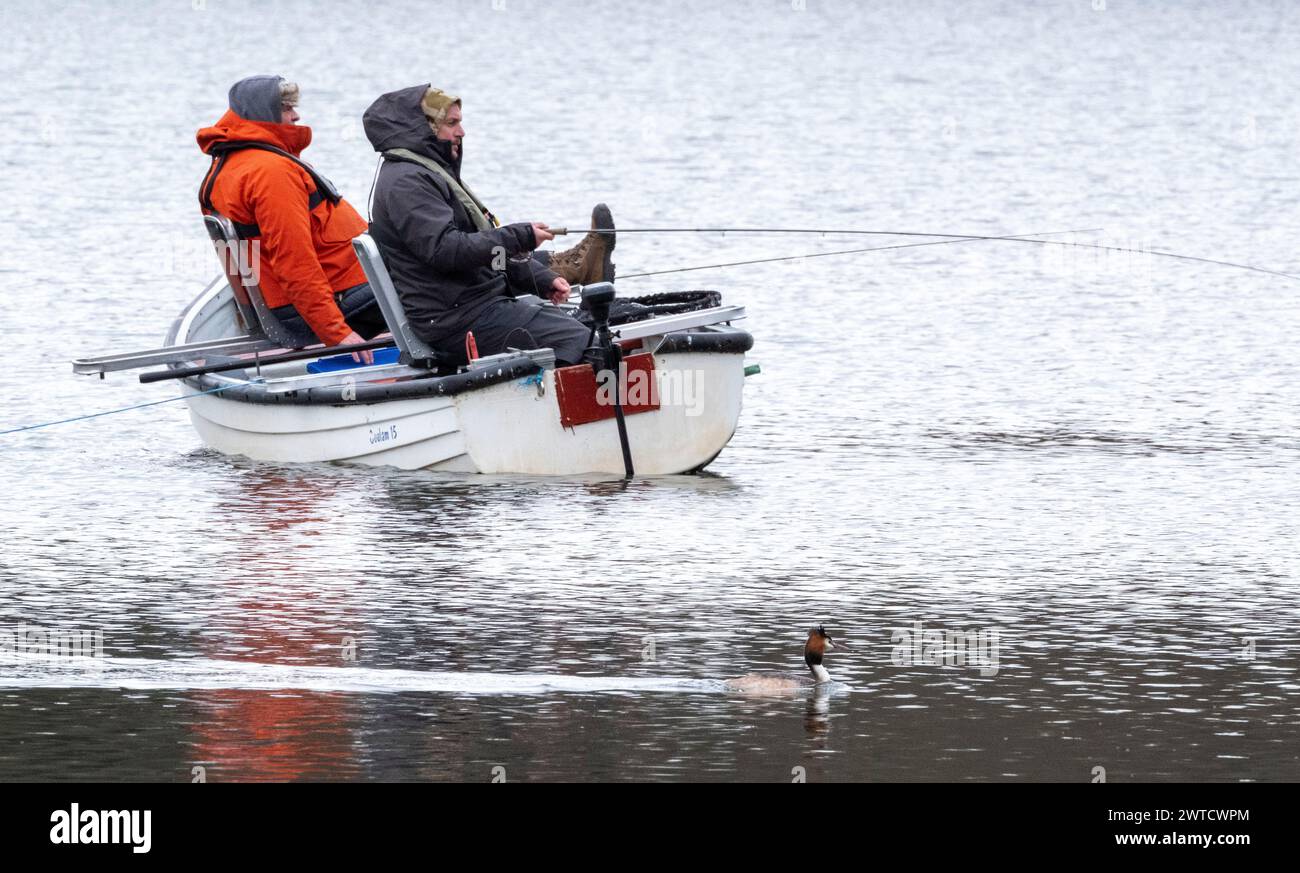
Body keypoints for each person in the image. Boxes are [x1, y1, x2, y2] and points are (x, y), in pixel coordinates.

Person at [361, 84, 615, 367]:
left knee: (584, 330)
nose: (461, 132)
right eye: (452, 123)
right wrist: (520, 236)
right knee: (586, 343)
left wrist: (539, 277)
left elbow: (478, 253)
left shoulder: (426, 171)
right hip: (456, 322)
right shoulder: (407, 182)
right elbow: (448, 251)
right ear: (425, 127)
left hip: (475, 306)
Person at [198, 75, 382, 363]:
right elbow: (294, 260)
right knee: (433, 277)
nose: (296, 115)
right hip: (325, 305)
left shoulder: (233, 163)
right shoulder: (271, 173)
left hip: (312, 297)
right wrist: (337, 332)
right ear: (263, 113)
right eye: (285, 108)